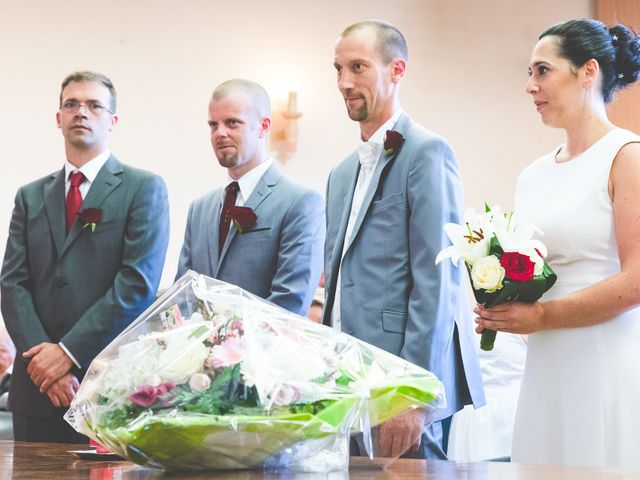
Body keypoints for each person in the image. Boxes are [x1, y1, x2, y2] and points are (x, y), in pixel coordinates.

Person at [474, 19, 640, 468]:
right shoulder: (533, 175)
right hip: (546, 360)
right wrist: (498, 301)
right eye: (529, 73)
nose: (530, 86)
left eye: (542, 71)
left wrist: (543, 315)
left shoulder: (627, 156)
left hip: (605, 352)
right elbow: (530, 268)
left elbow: (637, 280)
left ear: (588, 71)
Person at [323, 20, 485, 459]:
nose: (344, 82)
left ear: (397, 70)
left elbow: (439, 280)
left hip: (402, 379)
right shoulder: (340, 175)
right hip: (348, 380)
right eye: (337, 69)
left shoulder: (427, 151)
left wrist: (411, 394)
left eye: (358, 67)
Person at [0, 71, 170, 443]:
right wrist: (44, 366)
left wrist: (67, 353)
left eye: (94, 105)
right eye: (71, 104)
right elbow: (12, 283)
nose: (82, 112)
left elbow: (137, 284)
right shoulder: (29, 196)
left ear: (113, 121)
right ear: (57, 118)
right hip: (35, 389)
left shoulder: (142, 188)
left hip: (105, 385)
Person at [177, 79, 324, 316]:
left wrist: (227, 345)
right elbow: (183, 293)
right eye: (213, 125)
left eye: (232, 122)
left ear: (264, 126)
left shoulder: (300, 202)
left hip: (262, 348)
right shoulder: (199, 209)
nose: (220, 133)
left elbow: (290, 301)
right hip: (198, 350)